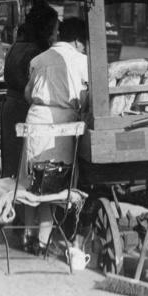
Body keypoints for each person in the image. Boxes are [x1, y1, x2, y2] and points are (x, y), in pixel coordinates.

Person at [21, 16, 89, 253]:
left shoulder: (38, 59)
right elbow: (85, 98)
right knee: (53, 183)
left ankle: (27, 235)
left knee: (32, 180)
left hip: (37, 119)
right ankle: (42, 241)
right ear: (79, 40)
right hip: (64, 122)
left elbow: (28, 94)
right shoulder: (82, 61)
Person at [0, 1, 58, 178]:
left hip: (10, 108)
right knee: (27, 170)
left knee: (12, 167)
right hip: (26, 110)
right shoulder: (37, 52)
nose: (56, 33)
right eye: (55, 28)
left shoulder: (16, 46)